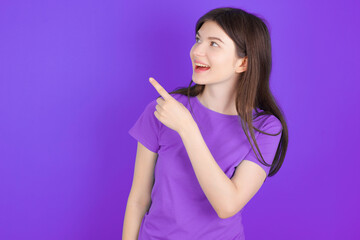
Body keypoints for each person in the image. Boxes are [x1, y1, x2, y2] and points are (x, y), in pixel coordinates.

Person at [123, 7, 288, 240]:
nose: (196, 50)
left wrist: (187, 128)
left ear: (242, 63)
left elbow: (227, 205)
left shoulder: (266, 128)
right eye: (198, 40)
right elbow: (139, 199)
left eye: (214, 44)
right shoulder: (163, 109)